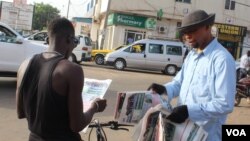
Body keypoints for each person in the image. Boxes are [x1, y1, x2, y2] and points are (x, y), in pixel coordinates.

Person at [148, 10, 236, 141]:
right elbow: (178, 83)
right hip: (182, 131)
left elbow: (224, 104)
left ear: (208, 28)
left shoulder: (222, 59)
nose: (187, 36)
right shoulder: (191, 56)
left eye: (192, 30)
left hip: (206, 135)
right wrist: (164, 89)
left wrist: (189, 111)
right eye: (185, 32)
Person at [16, 18, 107, 141]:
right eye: (74, 41)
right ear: (69, 39)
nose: (74, 46)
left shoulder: (24, 65)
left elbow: (20, 113)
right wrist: (95, 106)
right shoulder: (72, 70)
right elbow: (77, 125)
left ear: (48, 39)